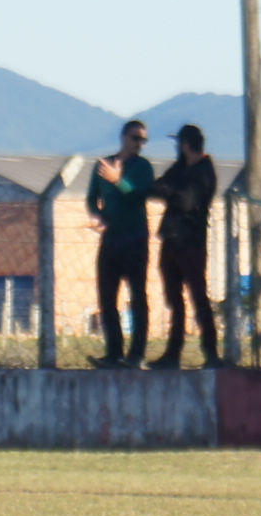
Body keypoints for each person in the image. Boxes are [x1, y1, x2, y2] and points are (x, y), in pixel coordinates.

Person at [149, 122, 219, 369]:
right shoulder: (180, 169)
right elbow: (158, 188)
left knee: (198, 296)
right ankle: (173, 354)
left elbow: (186, 201)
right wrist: (167, 190)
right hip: (172, 240)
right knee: (174, 299)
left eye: (179, 143)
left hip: (191, 243)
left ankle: (211, 352)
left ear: (186, 145)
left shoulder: (204, 172)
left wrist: (168, 191)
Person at [86, 121, 156, 367]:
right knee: (107, 297)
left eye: (143, 140)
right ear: (124, 137)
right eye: (136, 138)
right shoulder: (103, 165)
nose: (139, 144)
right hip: (111, 239)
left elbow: (139, 197)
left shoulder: (143, 167)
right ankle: (113, 352)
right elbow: (91, 198)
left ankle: (136, 354)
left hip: (135, 238)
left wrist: (119, 181)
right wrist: (99, 215)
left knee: (137, 296)